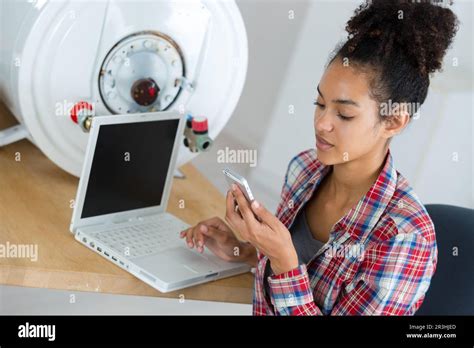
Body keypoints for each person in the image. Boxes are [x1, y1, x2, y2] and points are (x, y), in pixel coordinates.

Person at [180, 0, 459, 315]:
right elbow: (308, 279)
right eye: (319, 103)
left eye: (344, 113)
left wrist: (284, 261)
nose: (321, 123)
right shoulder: (304, 169)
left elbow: (293, 273)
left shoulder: (404, 239)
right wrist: (246, 250)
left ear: (393, 121)